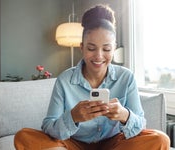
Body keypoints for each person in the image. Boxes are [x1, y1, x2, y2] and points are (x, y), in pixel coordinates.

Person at [14, 4, 170, 150]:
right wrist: (73, 117)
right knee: (23, 137)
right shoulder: (64, 80)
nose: (99, 56)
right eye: (91, 48)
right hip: (73, 143)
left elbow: (140, 126)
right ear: (82, 47)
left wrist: (124, 115)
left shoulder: (126, 77)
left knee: (161, 140)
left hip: (114, 144)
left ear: (114, 48)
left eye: (107, 49)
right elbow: (48, 127)